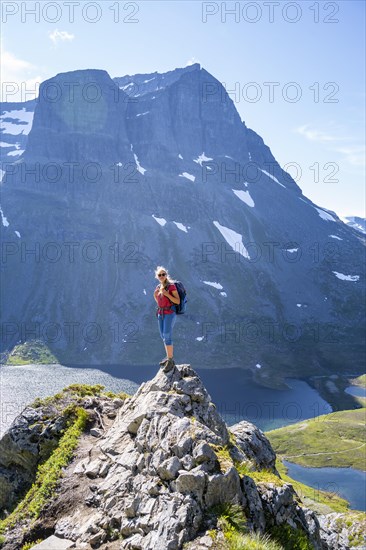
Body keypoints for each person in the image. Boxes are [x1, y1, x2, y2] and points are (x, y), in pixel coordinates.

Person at [153, 266, 180, 370]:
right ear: (157, 276)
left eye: (163, 274)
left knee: (167, 335)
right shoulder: (158, 287)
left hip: (169, 313)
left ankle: (170, 360)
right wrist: (155, 296)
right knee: (163, 336)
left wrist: (166, 294)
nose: (161, 276)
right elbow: (160, 302)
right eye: (159, 275)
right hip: (161, 313)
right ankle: (168, 357)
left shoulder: (171, 286)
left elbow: (177, 301)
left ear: (166, 275)